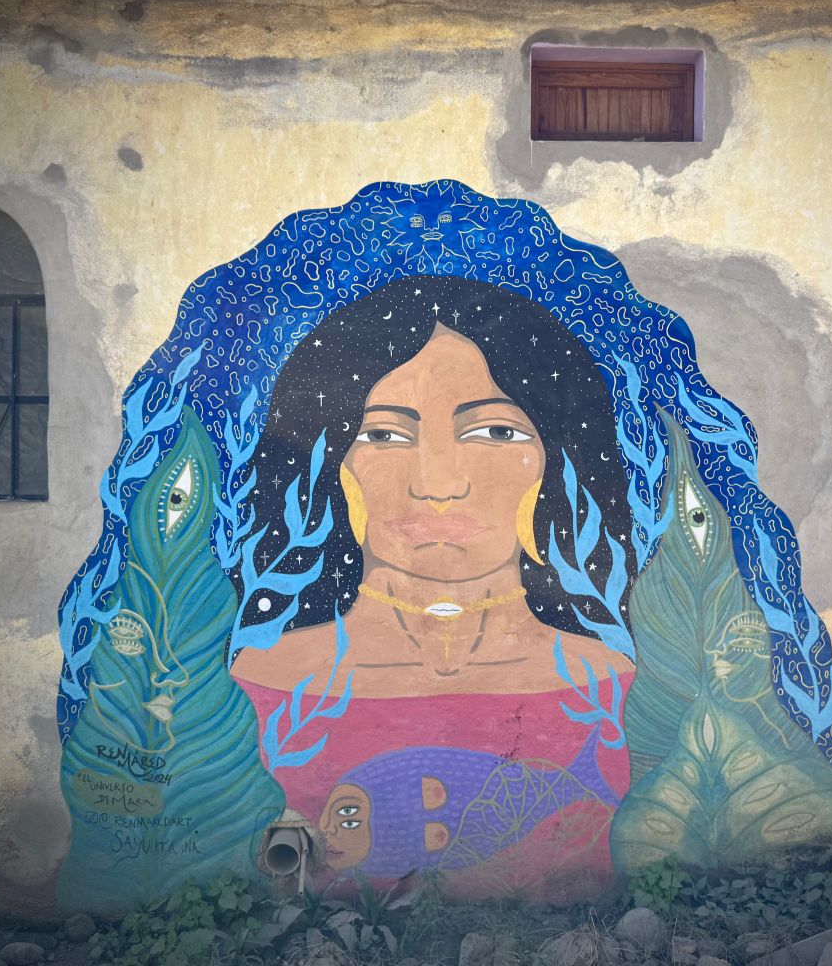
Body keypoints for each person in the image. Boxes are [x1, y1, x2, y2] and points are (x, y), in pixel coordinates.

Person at [231, 276, 636, 895]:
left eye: (496, 433)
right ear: (330, 464)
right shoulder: (263, 683)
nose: (439, 485)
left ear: (555, 461)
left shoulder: (607, 683)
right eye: (384, 436)